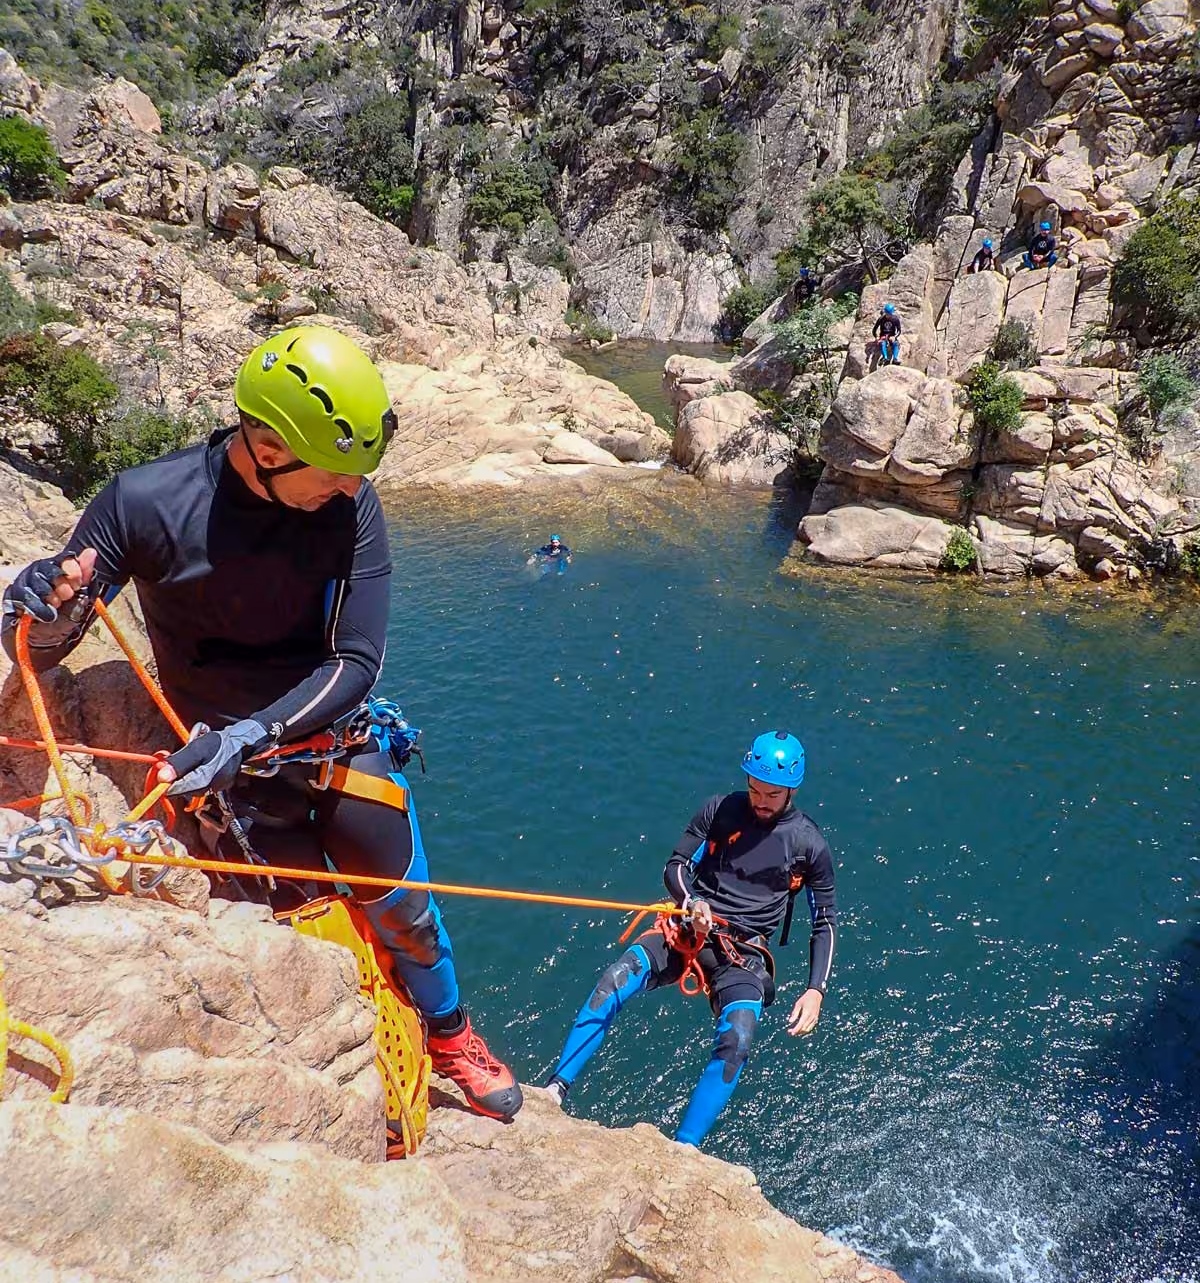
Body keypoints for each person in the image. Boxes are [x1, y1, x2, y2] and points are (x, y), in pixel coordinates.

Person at [1, 324, 522, 1121]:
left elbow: (356, 662)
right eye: (337, 472)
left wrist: (253, 735)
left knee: (403, 904)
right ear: (270, 445)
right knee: (303, 924)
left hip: (316, 737)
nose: (352, 489)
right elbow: (41, 650)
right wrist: (42, 600)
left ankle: (451, 1033)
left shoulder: (351, 509)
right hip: (227, 772)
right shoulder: (145, 504)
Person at [546, 730, 837, 1147]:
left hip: (742, 951)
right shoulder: (720, 810)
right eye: (754, 788)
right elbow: (676, 865)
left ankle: (684, 1148)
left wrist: (815, 990)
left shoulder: (809, 845)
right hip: (689, 927)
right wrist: (692, 900)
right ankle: (557, 1088)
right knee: (615, 978)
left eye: (771, 794)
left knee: (738, 1035)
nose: (759, 800)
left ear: (792, 789)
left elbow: (824, 920)